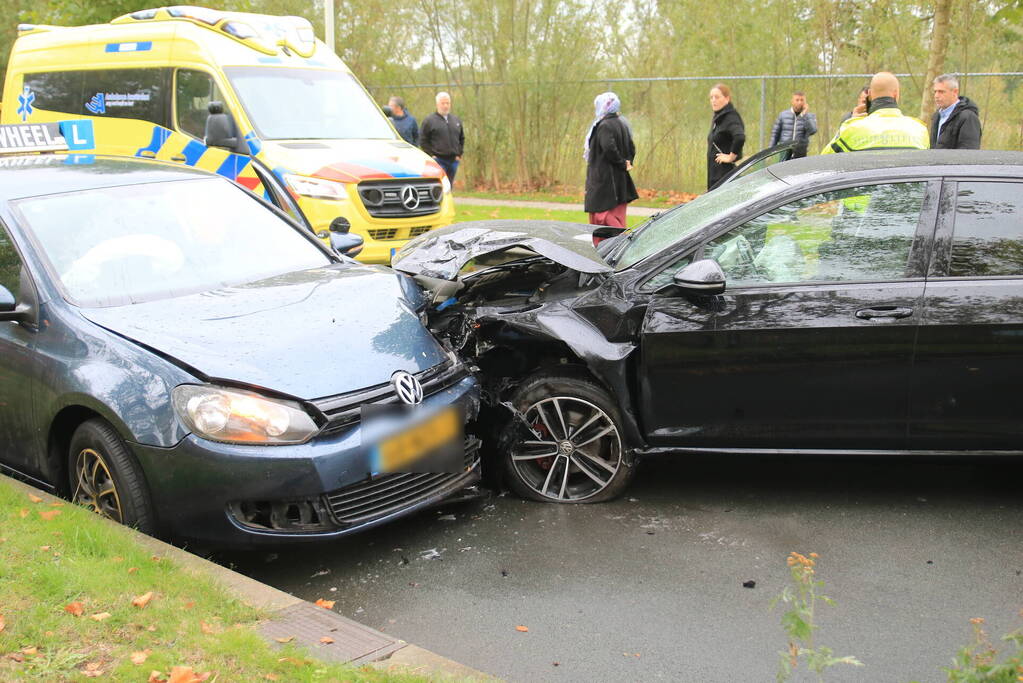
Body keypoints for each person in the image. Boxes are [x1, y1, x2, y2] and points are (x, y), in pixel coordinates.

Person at [822, 72, 929, 153]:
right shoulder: (920, 130)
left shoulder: (851, 129)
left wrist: (850, 122)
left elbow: (825, 161)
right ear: (896, 95)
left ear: (870, 94)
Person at [583, 92, 637, 228]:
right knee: (616, 214)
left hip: (605, 182)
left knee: (603, 217)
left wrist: (620, 162)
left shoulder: (604, 125)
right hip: (619, 181)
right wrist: (626, 163)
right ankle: (619, 243)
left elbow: (609, 148)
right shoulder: (623, 124)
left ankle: (621, 240)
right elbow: (631, 148)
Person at [707, 83, 746, 190]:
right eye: (711, 97)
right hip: (715, 174)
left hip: (725, 175)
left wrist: (731, 157)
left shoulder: (731, 117)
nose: (713, 100)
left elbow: (740, 137)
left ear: (727, 98)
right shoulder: (719, 117)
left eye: (717, 97)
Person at [419, 91, 464, 182]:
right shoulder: (429, 121)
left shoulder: (456, 120)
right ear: (437, 104)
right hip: (438, 160)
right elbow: (423, 140)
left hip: (453, 160)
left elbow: (461, 138)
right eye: (443, 103)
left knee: (449, 186)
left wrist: (459, 154)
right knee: (440, 185)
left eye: (447, 103)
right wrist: (431, 155)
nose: (445, 106)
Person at [930, 74, 982, 149]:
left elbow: (968, 153)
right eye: (935, 91)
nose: (936, 95)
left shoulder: (968, 117)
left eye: (941, 92)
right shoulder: (937, 116)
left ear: (955, 92)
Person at [769, 91, 818, 158]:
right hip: (784, 153)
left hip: (800, 154)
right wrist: (770, 151)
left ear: (805, 102)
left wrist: (805, 115)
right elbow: (775, 134)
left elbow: (813, 130)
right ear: (792, 101)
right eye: (797, 100)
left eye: (802, 100)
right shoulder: (783, 115)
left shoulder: (809, 116)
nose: (799, 102)